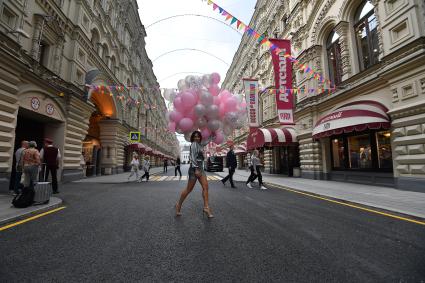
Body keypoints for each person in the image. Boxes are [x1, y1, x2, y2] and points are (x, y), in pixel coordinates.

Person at [175, 131, 214, 218]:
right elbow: (192, 157)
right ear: (192, 138)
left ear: (200, 137)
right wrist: (196, 169)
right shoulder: (193, 145)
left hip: (201, 169)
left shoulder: (200, 145)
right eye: (195, 137)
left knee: (206, 187)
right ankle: (178, 204)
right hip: (194, 170)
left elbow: (207, 141)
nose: (197, 138)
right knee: (188, 190)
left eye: (198, 136)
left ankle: (206, 207)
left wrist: (212, 134)